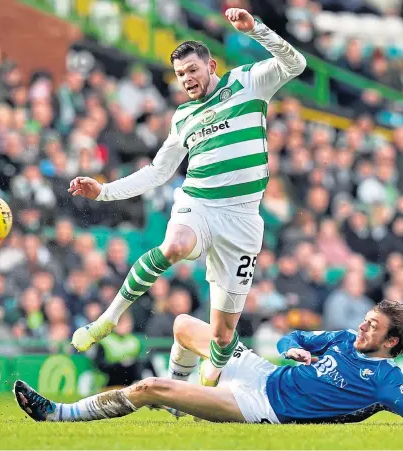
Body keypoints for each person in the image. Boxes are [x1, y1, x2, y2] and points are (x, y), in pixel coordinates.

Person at [67, 7, 307, 387]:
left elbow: (295, 63)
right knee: (175, 245)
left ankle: (191, 382)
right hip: (199, 202)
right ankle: (107, 320)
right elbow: (158, 172)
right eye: (180, 75)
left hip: (243, 218)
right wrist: (104, 191)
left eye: (193, 70)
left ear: (211, 66)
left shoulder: (247, 82)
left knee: (223, 336)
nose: (187, 79)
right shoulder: (182, 118)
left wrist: (256, 30)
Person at [14, 300, 403, 425]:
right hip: (266, 374)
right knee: (183, 324)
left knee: (147, 388)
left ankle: (57, 415)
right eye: (365, 320)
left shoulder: (385, 379)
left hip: (262, 407)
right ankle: (180, 400)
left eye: (372, 327)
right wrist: (289, 348)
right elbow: (295, 336)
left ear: (390, 341)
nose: (361, 327)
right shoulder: (340, 339)